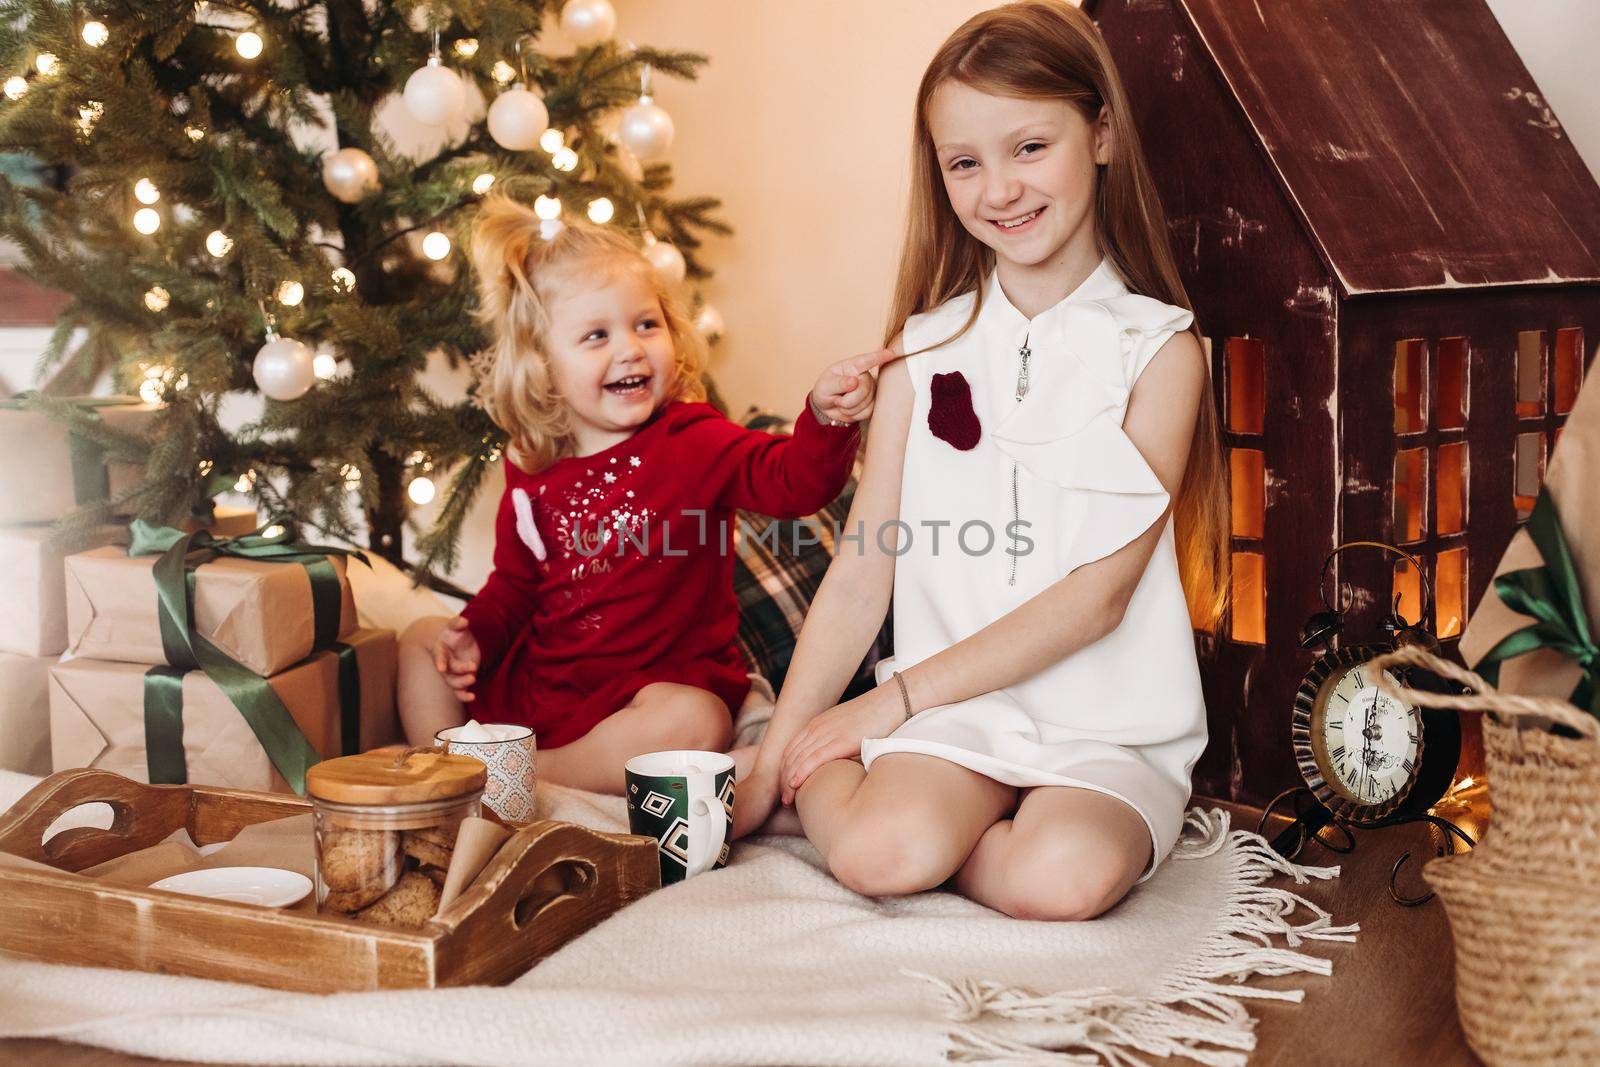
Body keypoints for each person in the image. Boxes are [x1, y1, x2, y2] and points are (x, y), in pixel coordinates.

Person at [735, 0, 1229, 921]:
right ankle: (842, 797)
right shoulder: (924, 351)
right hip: (952, 725)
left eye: (1029, 148)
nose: (998, 188)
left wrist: (891, 701)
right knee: (885, 852)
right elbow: (861, 570)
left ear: (1103, 134)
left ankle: (956, 829)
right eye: (966, 163)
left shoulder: (1162, 353)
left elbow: (1101, 594)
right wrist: (777, 757)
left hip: (1107, 732)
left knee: (1062, 879)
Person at [398, 198, 889, 794]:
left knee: (695, 722)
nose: (629, 348)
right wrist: (475, 632)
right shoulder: (534, 464)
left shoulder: (689, 438)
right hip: (546, 691)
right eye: (596, 335)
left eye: (645, 324)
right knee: (421, 637)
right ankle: (438, 770)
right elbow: (516, 583)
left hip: (651, 697)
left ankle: (507, 778)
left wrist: (824, 418)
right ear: (544, 366)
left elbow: (796, 483)